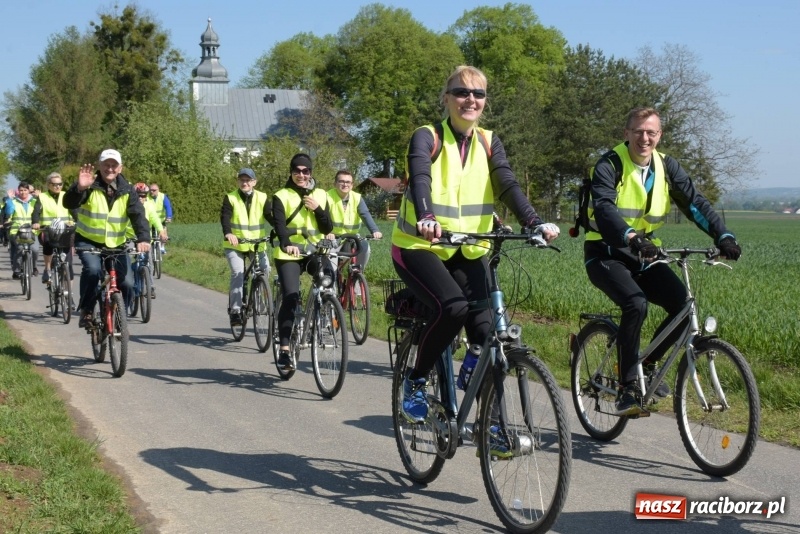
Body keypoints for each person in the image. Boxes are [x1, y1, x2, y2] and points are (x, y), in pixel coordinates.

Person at [391, 65, 559, 423]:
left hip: (470, 248)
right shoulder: (427, 136)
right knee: (452, 308)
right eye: (462, 92)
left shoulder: (488, 141)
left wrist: (533, 220)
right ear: (446, 98)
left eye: (478, 94)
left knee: (489, 333)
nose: (471, 99)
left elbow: (507, 184)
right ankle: (416, 380)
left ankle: (495, 428)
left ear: (485, 101)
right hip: (419, 246)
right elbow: (420, 176)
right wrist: (427, 216)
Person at [584, 107, 742, 416]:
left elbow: (695, 203)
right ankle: (628, 388)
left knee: (684, 306)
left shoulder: (667, 166)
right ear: (626, 134)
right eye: (639, 131)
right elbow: (604, 208)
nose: (645, 138)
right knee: (635, 303)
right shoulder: (609, 164)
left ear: (660, 136)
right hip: (605, 252)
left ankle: (648, 364)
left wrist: (723, 236)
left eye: (651, 132)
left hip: (646, 253)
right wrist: (630, 236)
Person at [63, 149, 151, 328]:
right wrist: (79, 188)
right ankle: (87, 310)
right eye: (106, 165)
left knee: (126, 282)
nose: (110, 169)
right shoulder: (89, 184)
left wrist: (143, 238)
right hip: (89, 241)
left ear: (120, 168)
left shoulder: (128, 190)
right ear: (99, 166)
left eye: (114, 165)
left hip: (116, 244)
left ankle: (120, 314)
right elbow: (69, 203)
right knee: (93, 270)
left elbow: (138, 216)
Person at [272, 154, 334, 370]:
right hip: (289, 253)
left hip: (314, 251)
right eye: (297, 171)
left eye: (305, 171)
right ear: (291, 172)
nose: (301, 175)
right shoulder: (281, 195)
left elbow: (327, 228)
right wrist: (287, 243)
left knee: (328, 280)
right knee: (291, 295)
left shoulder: (322, 195)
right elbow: (280, 226)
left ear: (311, 173)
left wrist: (318, 208)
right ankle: (285, 350)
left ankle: (321, 314)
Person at [220, 168, 271, 326]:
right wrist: (228, 233)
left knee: (265, 268)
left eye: (248, 180)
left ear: (254, 182)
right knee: (238, 272)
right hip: (235, 244)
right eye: (242, 180)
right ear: (238, 182)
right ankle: (235, 310)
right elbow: (225, 217)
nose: (244, 183)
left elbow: (270, 216)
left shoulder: (262, 197)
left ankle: (260, 302)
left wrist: (280, 231)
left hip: (256, 244)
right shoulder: (231, 198)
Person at [325, 169, 382, 271]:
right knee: (331, 270)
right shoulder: (327, 197)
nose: (345, 184)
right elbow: (322, 217)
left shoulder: (357, 198)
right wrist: (327, 232)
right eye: (341, 181)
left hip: (352, 237)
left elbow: (365, 214)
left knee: (365, 248)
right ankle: (331, 282)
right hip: (333, 238)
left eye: (348, 182)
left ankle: (356, 277)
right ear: (335, 183)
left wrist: (375, 230)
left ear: (352, 185)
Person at [32, 172, 75, 284]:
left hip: (65, 229)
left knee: (68, 263)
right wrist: (35, 222)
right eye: (55, 184)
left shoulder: (66, 195)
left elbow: (74, 211)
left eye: (60, 184)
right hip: (47, 229)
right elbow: (36, 211)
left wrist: (77, 222)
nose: (58, 186)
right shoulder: (42, 197)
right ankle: (47, 269)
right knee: (48, 244)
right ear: (48, 184)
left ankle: (68, 294)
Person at [128, 183, 168, 299]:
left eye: (143, 195)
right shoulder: (128, 204)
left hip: (145, 239)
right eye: (138, 195)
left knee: (148, 263)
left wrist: (161, 232)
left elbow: (155, 219)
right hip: (130, 238)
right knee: (127, 261)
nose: (141, 198)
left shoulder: (149, 205)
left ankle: (150, 287)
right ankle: (128, 285)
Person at [5, 182, 41, 279]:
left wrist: (39, 198)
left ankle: (33, 267)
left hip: (32, 231)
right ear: (18, 191)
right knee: (19, 249)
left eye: (25, 190)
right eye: (21, 190)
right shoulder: (13, 201)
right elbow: (8, 212)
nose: (23, 192)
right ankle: (17, 270)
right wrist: (9, 199)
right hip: (17, 231)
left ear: (29, 191)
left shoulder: (34, 201)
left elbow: (40, 212)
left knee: (35, 249)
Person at [149, 182, 173, 254]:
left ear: (158, 190)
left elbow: (168, 207)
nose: (152, 191)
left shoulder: (162, 196)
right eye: (150, 190)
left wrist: (169, 216)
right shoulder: (146, 197)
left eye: (154, 190)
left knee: (163, 234)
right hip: (150, 220)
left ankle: (162, 247)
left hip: (160, 220)